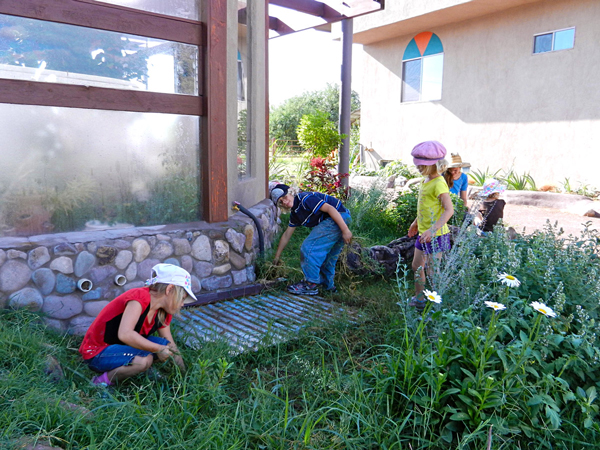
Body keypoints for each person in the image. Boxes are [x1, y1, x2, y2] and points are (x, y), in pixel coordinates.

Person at [79, 263, 197, 386]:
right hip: (97, 352)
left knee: (165, 345)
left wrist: (184, 376)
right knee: (144, 361)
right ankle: (101, 382)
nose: (182, 304)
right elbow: (125, 334)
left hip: (120, 347)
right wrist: (158, 349)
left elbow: (170, 344)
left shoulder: (164, 312)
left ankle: (138, 368)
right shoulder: (139, 298)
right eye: (182, 298)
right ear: (169, 289)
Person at [271, 184, 352, 295]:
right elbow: (286, 235)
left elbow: (330, 208)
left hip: (337, 218)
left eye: (285, 197)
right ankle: (328, 287)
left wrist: (345, 230)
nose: (284, 202)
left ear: (290, 192)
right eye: (281, 201)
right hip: (341, 219)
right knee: (329, 257)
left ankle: (310, 284)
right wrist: (277, 257)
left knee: (309, 248)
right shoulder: (295, 214)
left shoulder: (304, 199)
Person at [407, 141, 454, 311]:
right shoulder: (426, 180)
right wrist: (415, 223)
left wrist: (432, 230)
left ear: (434, 164)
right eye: (418, 165)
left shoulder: (439, 183)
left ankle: (435, 304)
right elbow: (425, 207)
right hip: (423, 233)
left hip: (437, 235)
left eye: (422, 166)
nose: (418, 168)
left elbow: (449, 210)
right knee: (416, 266)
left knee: (433, 271)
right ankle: (420, 298)